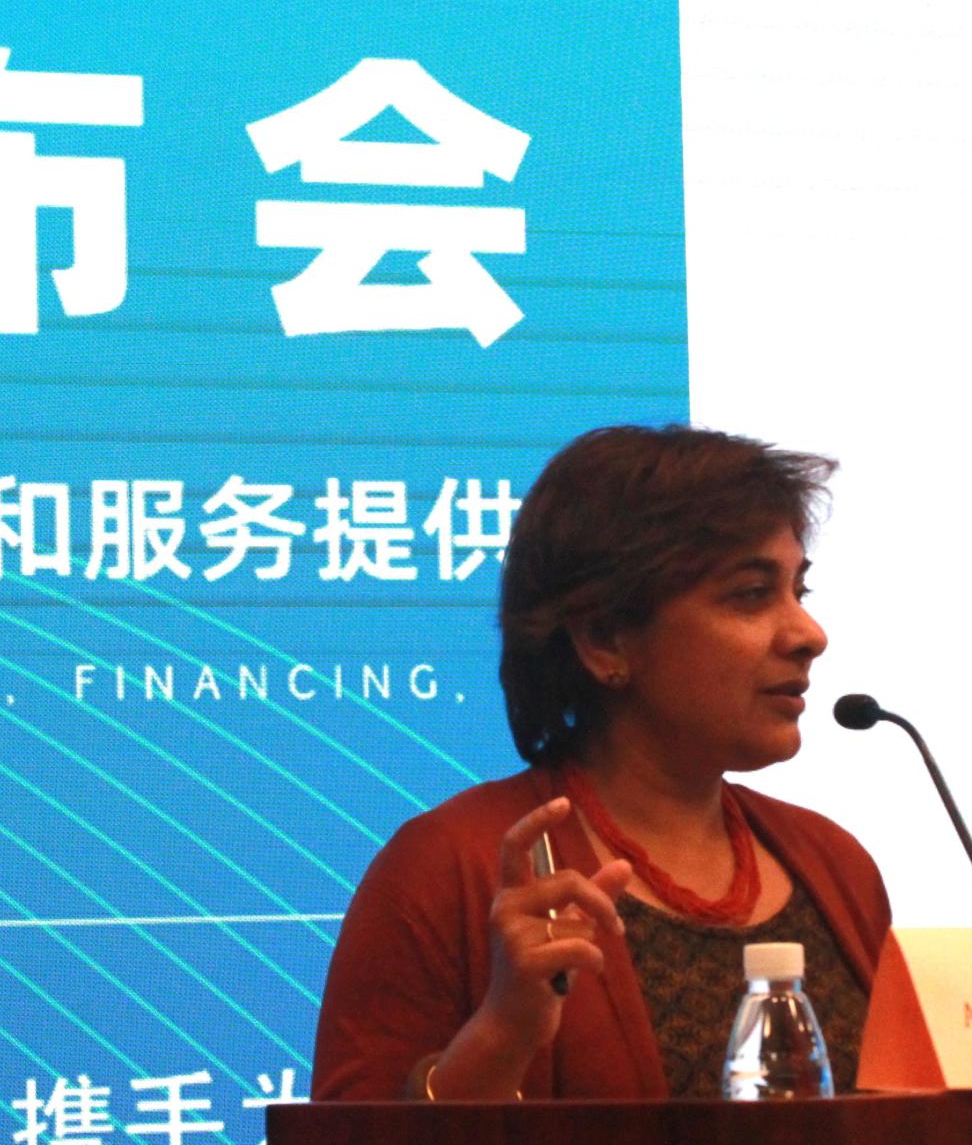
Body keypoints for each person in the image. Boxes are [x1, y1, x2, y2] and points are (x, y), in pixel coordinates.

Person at [311, 424, 896, 1101]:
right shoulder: (449, 868)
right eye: (750, 594)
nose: (808, 635)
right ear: (603, 639)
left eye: (800, 592)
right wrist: (502, 1034)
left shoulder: (834, 865)